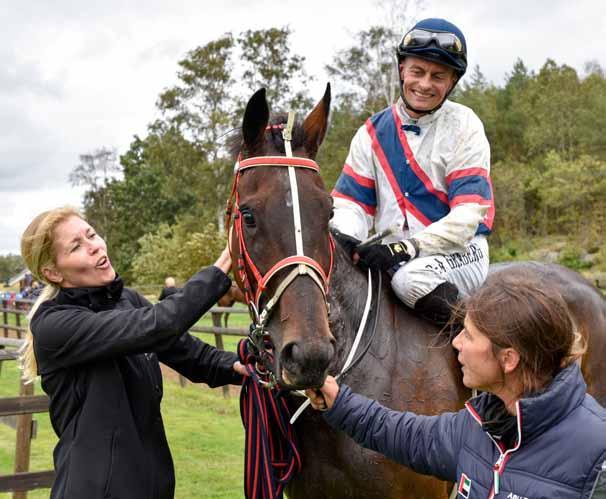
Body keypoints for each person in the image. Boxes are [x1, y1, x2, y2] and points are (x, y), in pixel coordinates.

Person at [306, 271, 606, 498]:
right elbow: (400, 433)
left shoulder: (597, 451)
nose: (456, 343)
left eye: (469, 335)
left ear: (509, 359)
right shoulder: (479, 426)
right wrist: (338, 401)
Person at [19, 206, 247, 499]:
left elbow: (198, 358)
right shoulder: (54, 326)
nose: (95, 246)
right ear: (53, 272)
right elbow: (159, 324)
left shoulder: (128, 301)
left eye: (91, 235)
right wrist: (227, 257)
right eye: (77, 246)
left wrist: (250, 365)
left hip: (153, 487)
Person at [331, 18, 494, 328]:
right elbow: (351, 206)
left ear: (452, 83)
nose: (424, 84)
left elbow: (466, 220)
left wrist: (406, 248)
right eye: (417, 72)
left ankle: (480, 340)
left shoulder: (466, 126)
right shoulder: (370, 133)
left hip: (461, 251)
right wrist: (347, 243)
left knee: (410, 279)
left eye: (438, 76)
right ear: (402, 69)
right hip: (390, 255)